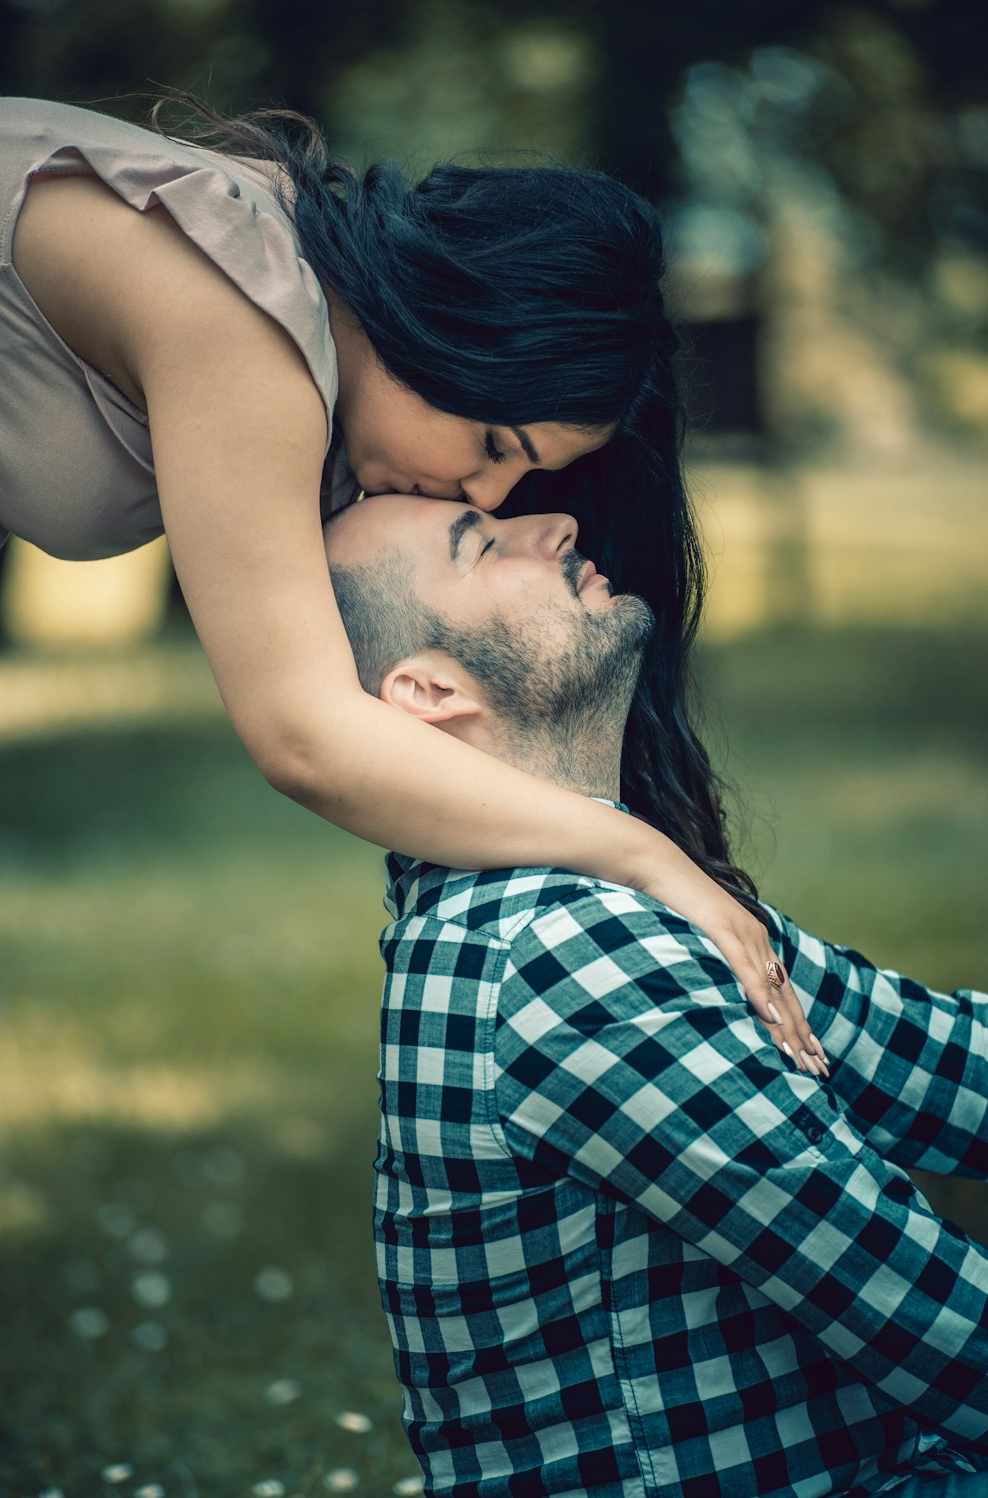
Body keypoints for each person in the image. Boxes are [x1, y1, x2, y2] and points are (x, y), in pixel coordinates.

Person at [0, 91, 822, 1060]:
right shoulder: (245, 324)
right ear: (438, 324)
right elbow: (303, 735)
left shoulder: (300, 299)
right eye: (492, 442)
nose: (490, 491)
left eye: (523, 473)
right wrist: (644, 856)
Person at [321, 492, 988, 1498]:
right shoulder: (565, 954)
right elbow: (927, 1314)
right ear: (424, 686)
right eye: (484, 544)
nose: (557, 526)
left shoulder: (593, 903)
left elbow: (935, 1061)